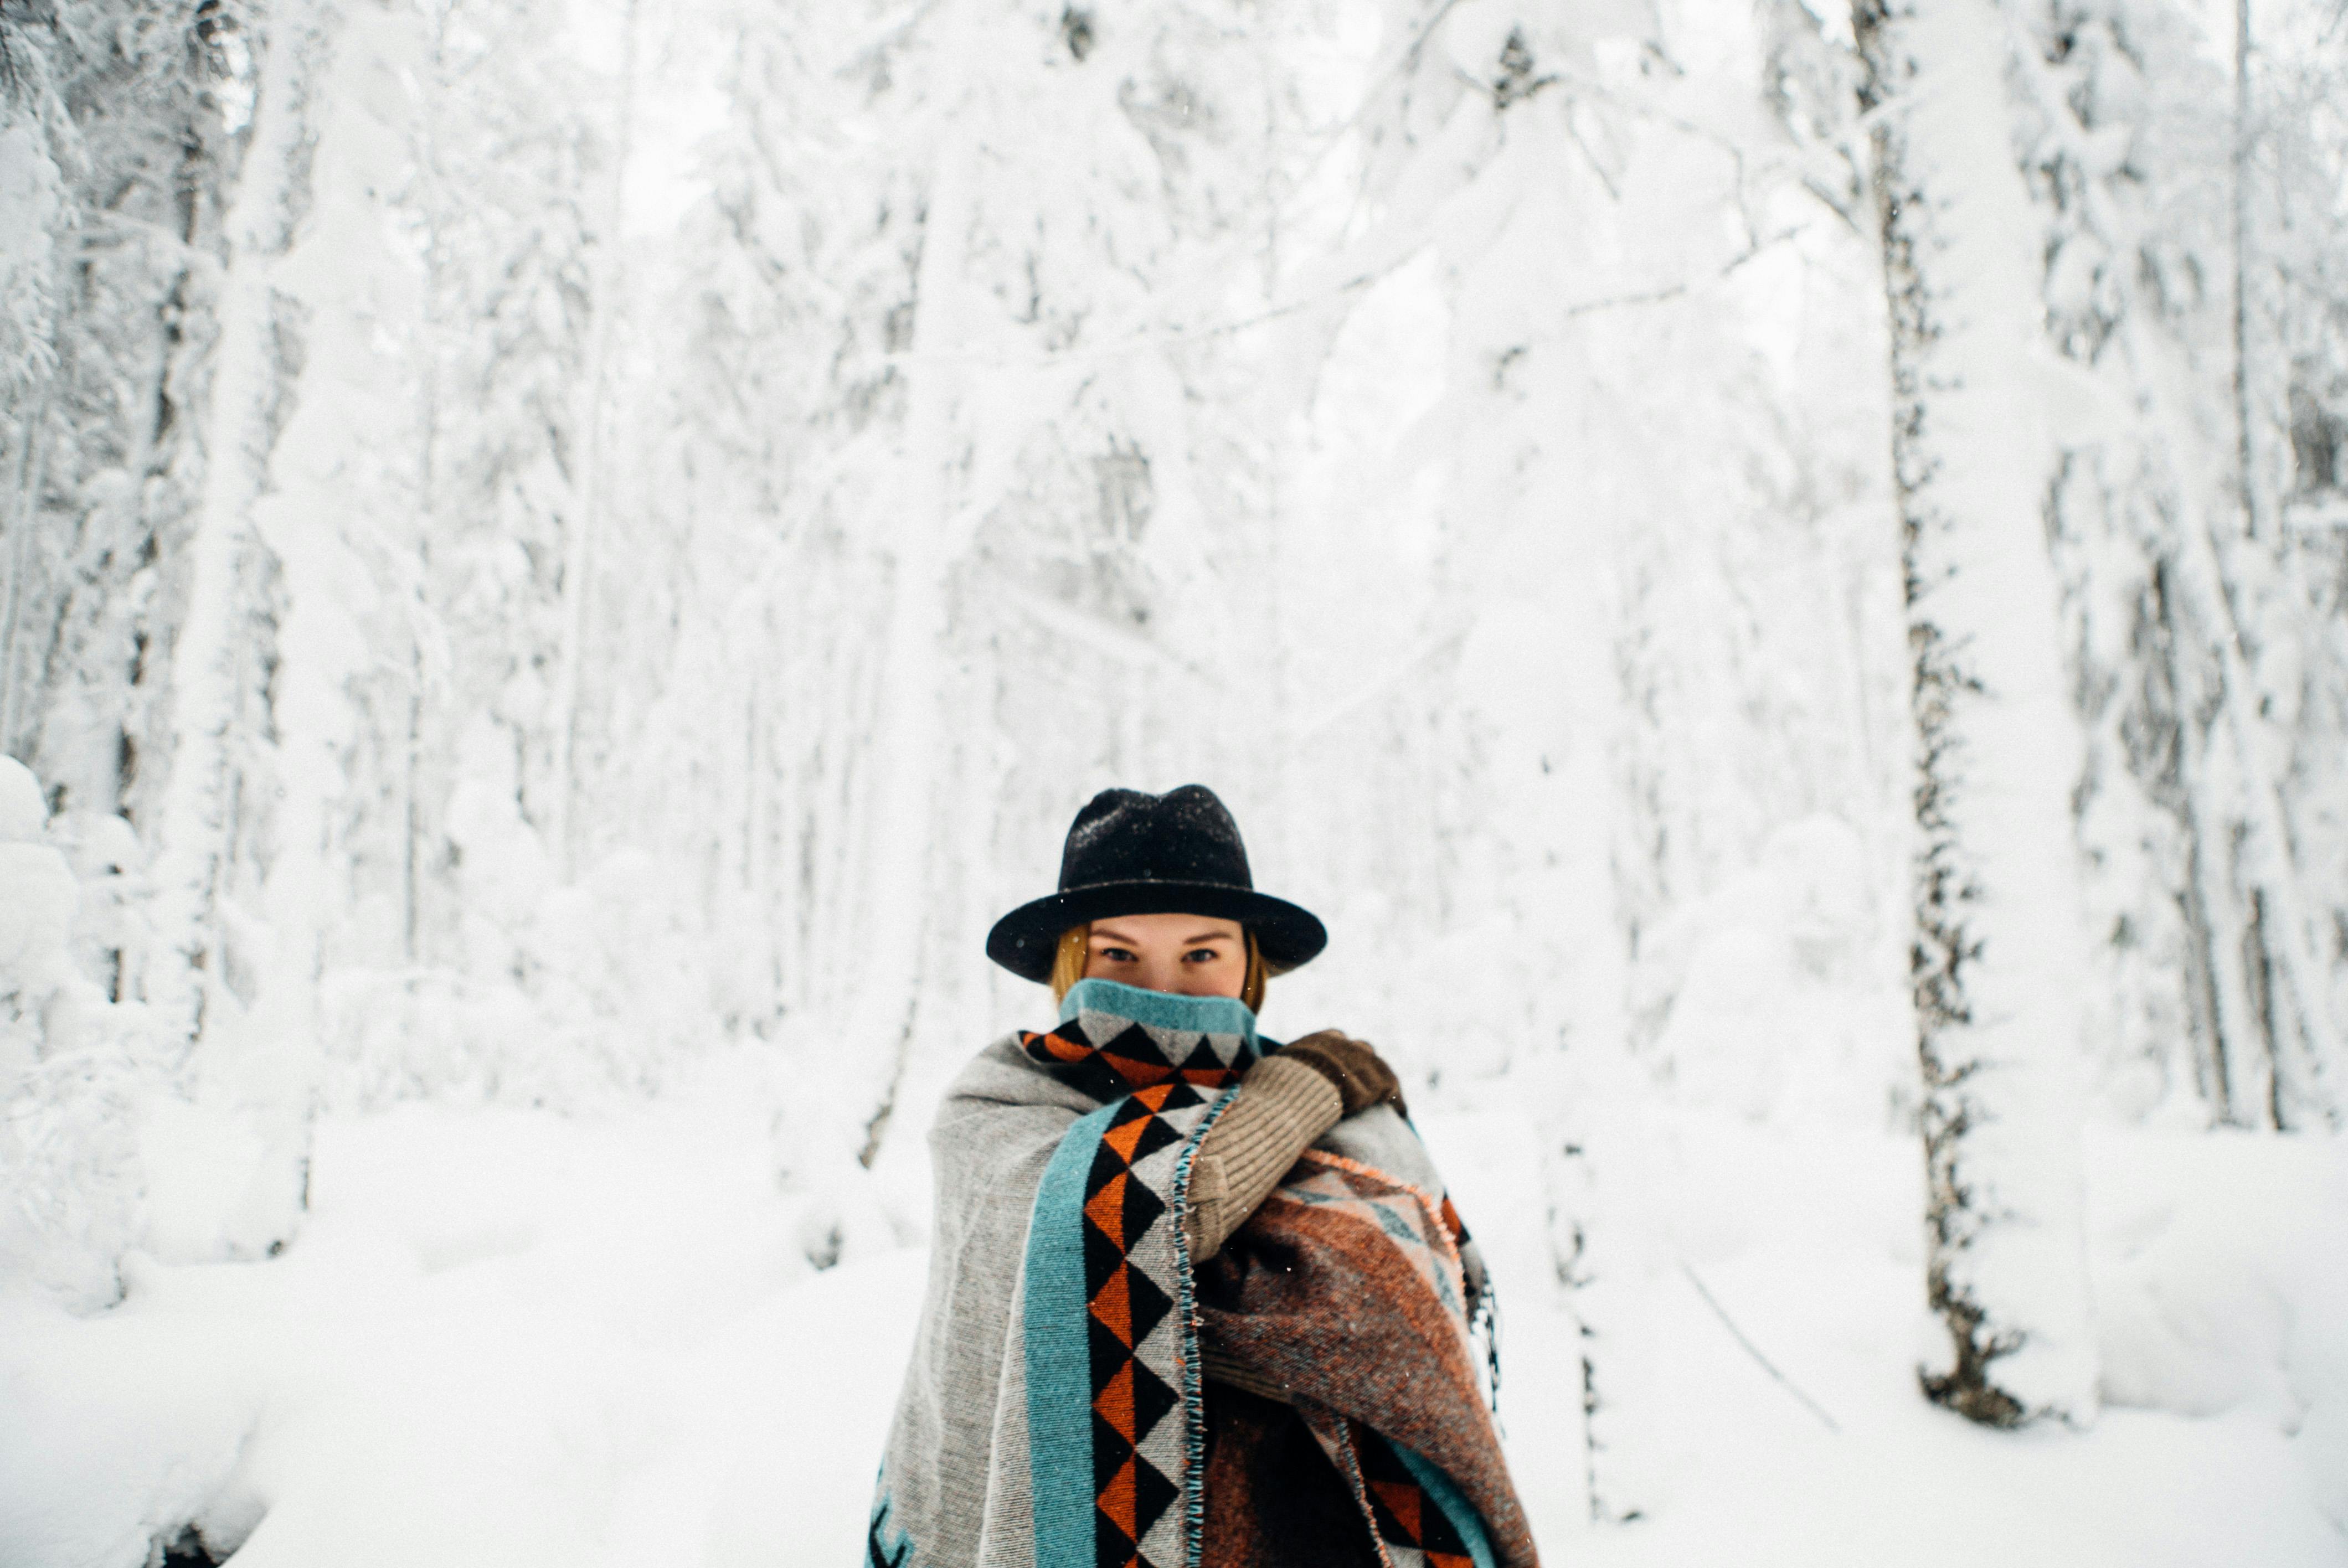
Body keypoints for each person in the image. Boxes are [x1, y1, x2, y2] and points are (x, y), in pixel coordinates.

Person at [866, 786, 1537, 1568]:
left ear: (1248, 964)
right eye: (1118, 954)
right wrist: (1295, 1095)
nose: (1165, 989)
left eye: (1201, 953)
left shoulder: (1352, 1125)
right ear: (1071, 962)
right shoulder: (1003, 1104)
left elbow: (1427, 1303)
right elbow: (1129, 1235)